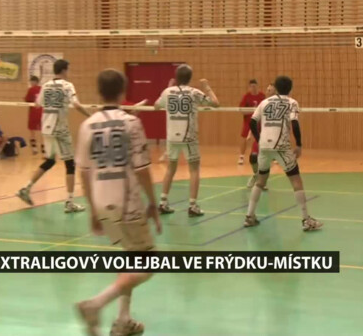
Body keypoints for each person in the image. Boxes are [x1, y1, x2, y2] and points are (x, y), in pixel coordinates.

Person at [75, 68, 161, 336]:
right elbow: (142, 169)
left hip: (102, 201)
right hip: (128, 202)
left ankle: (123, 320)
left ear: (98, 92)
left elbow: (84, 172)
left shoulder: (87, 125)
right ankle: (96, 304)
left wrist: (92, 210)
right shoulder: (131, 122)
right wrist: (153, 203)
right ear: (123, 92)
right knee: (150, 263)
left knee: (130, 256)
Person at [245, 75, 322, 231]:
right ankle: (306, 220)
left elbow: (252, 122)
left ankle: (249, 216)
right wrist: (299, 144)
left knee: (260, 181)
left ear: (276, 88)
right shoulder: (291, 102)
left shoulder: (264, 102)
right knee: (296, 181)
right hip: (281, 146)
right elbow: (295, 124)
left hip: (264, 146)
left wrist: (259, 139)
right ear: (290, 88)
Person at [16, 59, 89, 212]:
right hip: (60, 128)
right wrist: (90, 116)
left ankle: (25, 188)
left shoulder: (46, 85)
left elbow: (37, 104)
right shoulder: (67, 85)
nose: (68, 72)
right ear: (64, 70)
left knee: (50, 161)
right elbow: (76, 104)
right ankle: (70, 202)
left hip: (46, 127)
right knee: (70, 164)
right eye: (68, 69)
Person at [154, 64, 219, 216]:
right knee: (194, 169)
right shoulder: (194, 92)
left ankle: (163, 203)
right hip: (188, 136)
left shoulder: (167, 92)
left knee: (170, 168)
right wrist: (207, 87)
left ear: (176, 77)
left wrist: (167, 88)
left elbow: (156, 106)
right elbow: (215, 103)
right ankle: (192, 205)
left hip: (172, 137)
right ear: (190, 78)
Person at [237, 79, 266, 165]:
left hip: (259, 121)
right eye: (251, 86)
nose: (253, 88)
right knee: (244, 137)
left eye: (255, 86)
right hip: (248, 121)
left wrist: (258, 112)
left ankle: (266, 155)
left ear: (258, 86)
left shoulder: (262, 96)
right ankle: (241, 156)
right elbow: (241, 110)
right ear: (249, 87)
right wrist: (253, 111)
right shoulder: (246, 97)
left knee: (263, 137)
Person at [25, 75, 44, 155]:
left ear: (35, 82)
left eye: (31, 82)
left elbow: (27, 100)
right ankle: (43, 151)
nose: (31, 83)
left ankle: (34, 148)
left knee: (32, 132)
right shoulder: (42, 89)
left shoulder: (31, 89)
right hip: (42, 113)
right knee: (43, 132)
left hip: (33, 113)